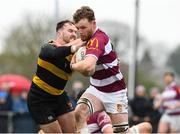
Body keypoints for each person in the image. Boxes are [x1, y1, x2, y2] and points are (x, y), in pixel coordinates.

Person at [71, 6, 128, 133]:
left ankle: (137, 130)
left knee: (122, 132)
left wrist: (72, 65)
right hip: (96, 89)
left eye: (83, 27)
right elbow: (70, 46)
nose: (80, 32)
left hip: (115, 92)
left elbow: (88, 67)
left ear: (93, 23)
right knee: (79, 113)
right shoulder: (86, 37)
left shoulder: (98, 39)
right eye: (78, 28)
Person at [27, 20, 84, 133]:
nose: (73, 34)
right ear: (59, 33)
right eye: (70, 30)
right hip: (40, 99)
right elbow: (56, 53)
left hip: (59, 96)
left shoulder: (75, 54)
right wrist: (78, 44)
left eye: (75, 32)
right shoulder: (48, 48)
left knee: (72, 132)